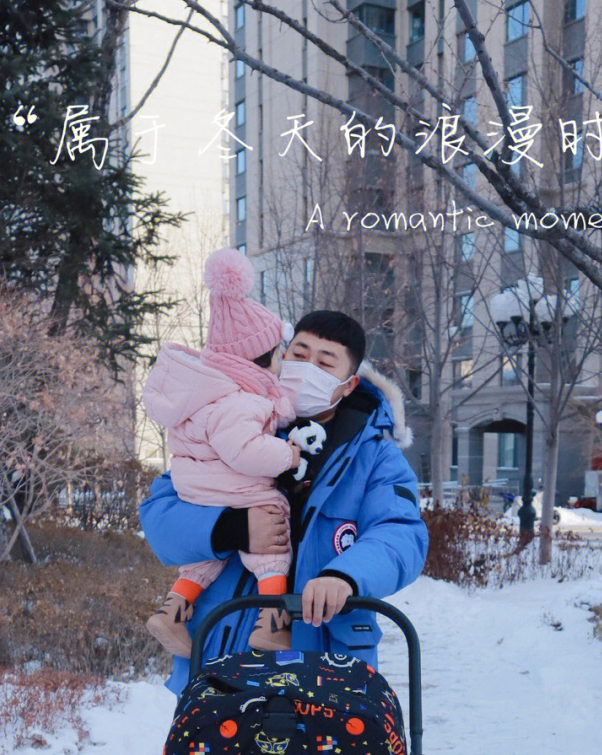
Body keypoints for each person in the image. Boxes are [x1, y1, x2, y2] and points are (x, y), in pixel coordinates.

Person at [139, 307, 428, 696]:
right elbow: (160, 516)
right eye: (299, 353)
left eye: (325, 362)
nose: (306, 367)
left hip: (324, 668)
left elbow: (402, 534)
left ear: (348, 383)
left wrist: (345, 575)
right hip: (222, 658)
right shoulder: (233, 419)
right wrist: (233, 528)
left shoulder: (374, 456)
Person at [141, 248, 318, 655]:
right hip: (232, 489)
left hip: (198, 488)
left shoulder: (210, 394)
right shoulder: (242, 401)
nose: (283, 365)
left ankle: (173, 611)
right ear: (258, 359)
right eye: (280, 355)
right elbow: (245, 452)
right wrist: (288, 455)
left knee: (205, 560)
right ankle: (272, 620)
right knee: (272, 542)